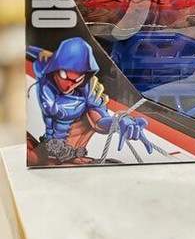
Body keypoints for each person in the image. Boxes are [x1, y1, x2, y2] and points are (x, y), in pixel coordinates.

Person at [27, 37, 152, 165]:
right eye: (64, 76)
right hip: (41, 152)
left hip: (71, 159)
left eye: (77, 79)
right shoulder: (44, 70)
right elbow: (26, 46)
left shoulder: (89, 92)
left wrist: (119, 122)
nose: (69, 85)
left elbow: (100, 121)